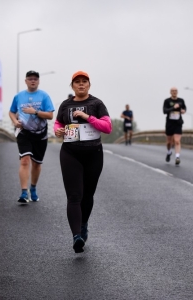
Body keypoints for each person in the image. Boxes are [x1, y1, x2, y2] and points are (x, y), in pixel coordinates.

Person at [54, 71, 112, 253]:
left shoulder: (96, 104)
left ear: (89, 85)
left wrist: (88, 117)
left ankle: (84, 223)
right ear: (72, 86)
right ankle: (76, 236)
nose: (81, 84)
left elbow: (107, 127)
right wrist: (58, 131)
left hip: (93, 153)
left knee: (88, 195)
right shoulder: (66, 105)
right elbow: (58, 123)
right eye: (77, 82)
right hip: (70, 153)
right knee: (74, 196)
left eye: (84, 82)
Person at [9, 70, 54, 204]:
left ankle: (33, 188)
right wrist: (15, 121)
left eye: (35, 79)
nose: (32, 81)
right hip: (24, 133)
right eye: (30, 79)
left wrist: (34, 111)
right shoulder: (18, 96)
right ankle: (24, 192)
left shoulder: (44, 96)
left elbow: (50, 115)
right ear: (26, 81)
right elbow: (11, 112)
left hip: (40, 134)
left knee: (37, 164)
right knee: (24, 160)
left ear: (38, 81)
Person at [163, 87, 186, 165]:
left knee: (177, 141)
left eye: (175, 91)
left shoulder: (181, 100)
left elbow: (184, 108)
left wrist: (183, 111)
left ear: (177, 92)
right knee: (169, 142)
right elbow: (164, 111)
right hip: (169, 123)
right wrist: (173, 108)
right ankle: (169, 152)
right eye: (172, 91)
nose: (174, 92)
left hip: (178, 123)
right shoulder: (167, 101)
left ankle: (177, 157)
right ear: (170, 92)